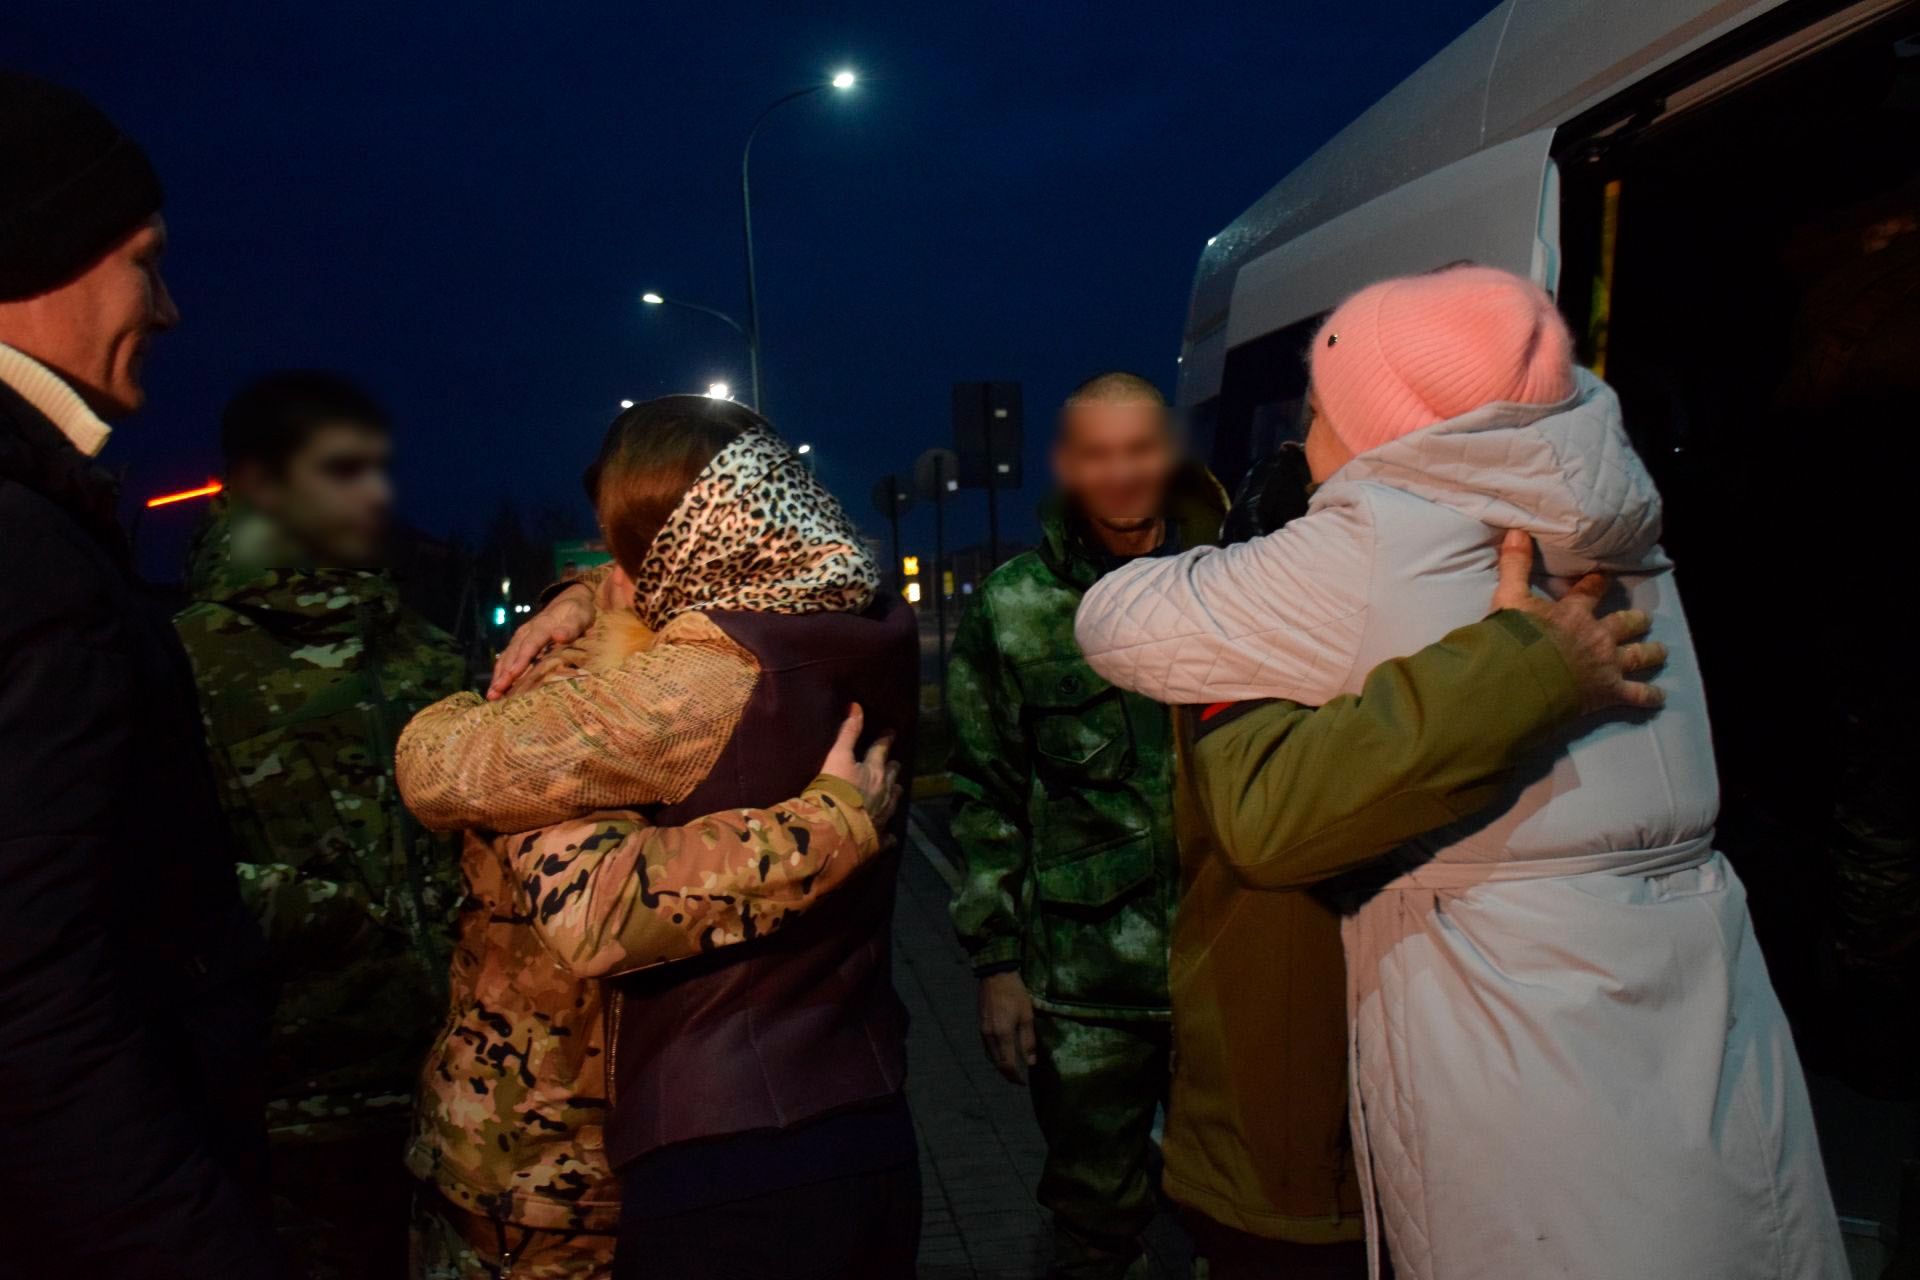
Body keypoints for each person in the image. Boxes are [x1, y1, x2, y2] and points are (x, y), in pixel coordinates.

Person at [1075, 265, 1845, 1279]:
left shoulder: (1375, 543)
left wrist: (1260, 552)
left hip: (1512, 1056)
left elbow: (1119, 627)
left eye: (1317, 413)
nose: (1301, 443)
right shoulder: (1625, 533)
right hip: (1696, 1027)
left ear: (1376, 423)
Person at [407, 395, 921, 1280]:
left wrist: (822, 829)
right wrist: (578, 600)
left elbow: (448, 777)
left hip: (702, 1154)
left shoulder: (683, 685)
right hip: (862, 1114)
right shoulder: (867, 619)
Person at [0, 70, 280, 1274]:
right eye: (140, 261)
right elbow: (30, 986)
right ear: (36, 254)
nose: (165, 307)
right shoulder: (23, 548)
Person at [172, 371, 467, 1276]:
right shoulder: (185, 657)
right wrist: (331, 919)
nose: (375, 494)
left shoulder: (420, 647)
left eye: (378, 469)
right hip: (287, 1114)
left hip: (450, 1097)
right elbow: (142, 872)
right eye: (343, 470)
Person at [943, 371, 1223, 1278]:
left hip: (1233, 965)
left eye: (1140, 450)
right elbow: (983, 791)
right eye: (1098, 455)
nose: (1122, 475)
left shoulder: (1235, 578)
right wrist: (998, 966)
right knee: (1092, 1226)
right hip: (1089, 990)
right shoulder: (1015, 610)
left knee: (1246, 1216)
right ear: (1068, 465)